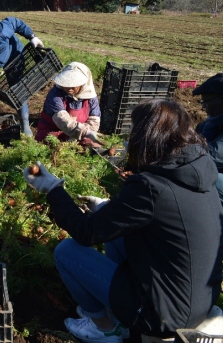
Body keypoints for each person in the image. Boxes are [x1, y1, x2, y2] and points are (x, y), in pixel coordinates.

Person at [24, 99, 223, 341]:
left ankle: (104, 328)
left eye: (135, 131)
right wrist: (107, 208)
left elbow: (86, 232)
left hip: (163, 315)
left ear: (148, 136)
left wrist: (53, 188)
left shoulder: (151, 187)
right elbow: (166, 220)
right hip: (196, 299)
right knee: (119, 235)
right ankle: (119, 311)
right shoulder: (198, 170)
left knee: (67, 252)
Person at [35, 61, 103, 146]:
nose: (69, 88)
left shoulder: (91, 98)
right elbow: (63, 121)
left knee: (94, 146)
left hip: (79, 137)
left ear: (83, 84)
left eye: (73, 84)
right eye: (66, 84)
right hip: (52, 135)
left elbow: (94, 122)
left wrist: (82, 134)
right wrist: (86, 132)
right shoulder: (55, 95)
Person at [192, 72, 223, 205]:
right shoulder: (206, 124)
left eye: (206, 102)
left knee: (205, 178)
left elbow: (211, 157)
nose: (203, 107)